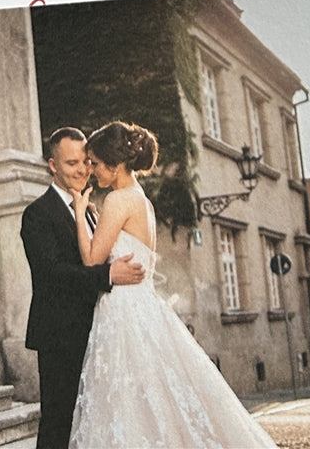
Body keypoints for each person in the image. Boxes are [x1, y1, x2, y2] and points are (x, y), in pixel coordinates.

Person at [67, 120, 277, 449]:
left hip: (123, 313)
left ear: (116, 162)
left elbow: (93, 259)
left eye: (94, 162)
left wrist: (80, 213)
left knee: (131, 402)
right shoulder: (142, 201)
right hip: (142, 306)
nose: (91, 171)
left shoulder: (118, 200)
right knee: (157, 402)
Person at [20, 127, 146, 449]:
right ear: (52, 165)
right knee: (59, 423)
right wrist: (108, 275)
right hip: (60, 336)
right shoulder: (37, 214)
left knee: (92, 424)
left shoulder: (91, 208)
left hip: (99, 334)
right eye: (72, 163)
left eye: (86, 163)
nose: (82, 170)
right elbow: (52, 274)